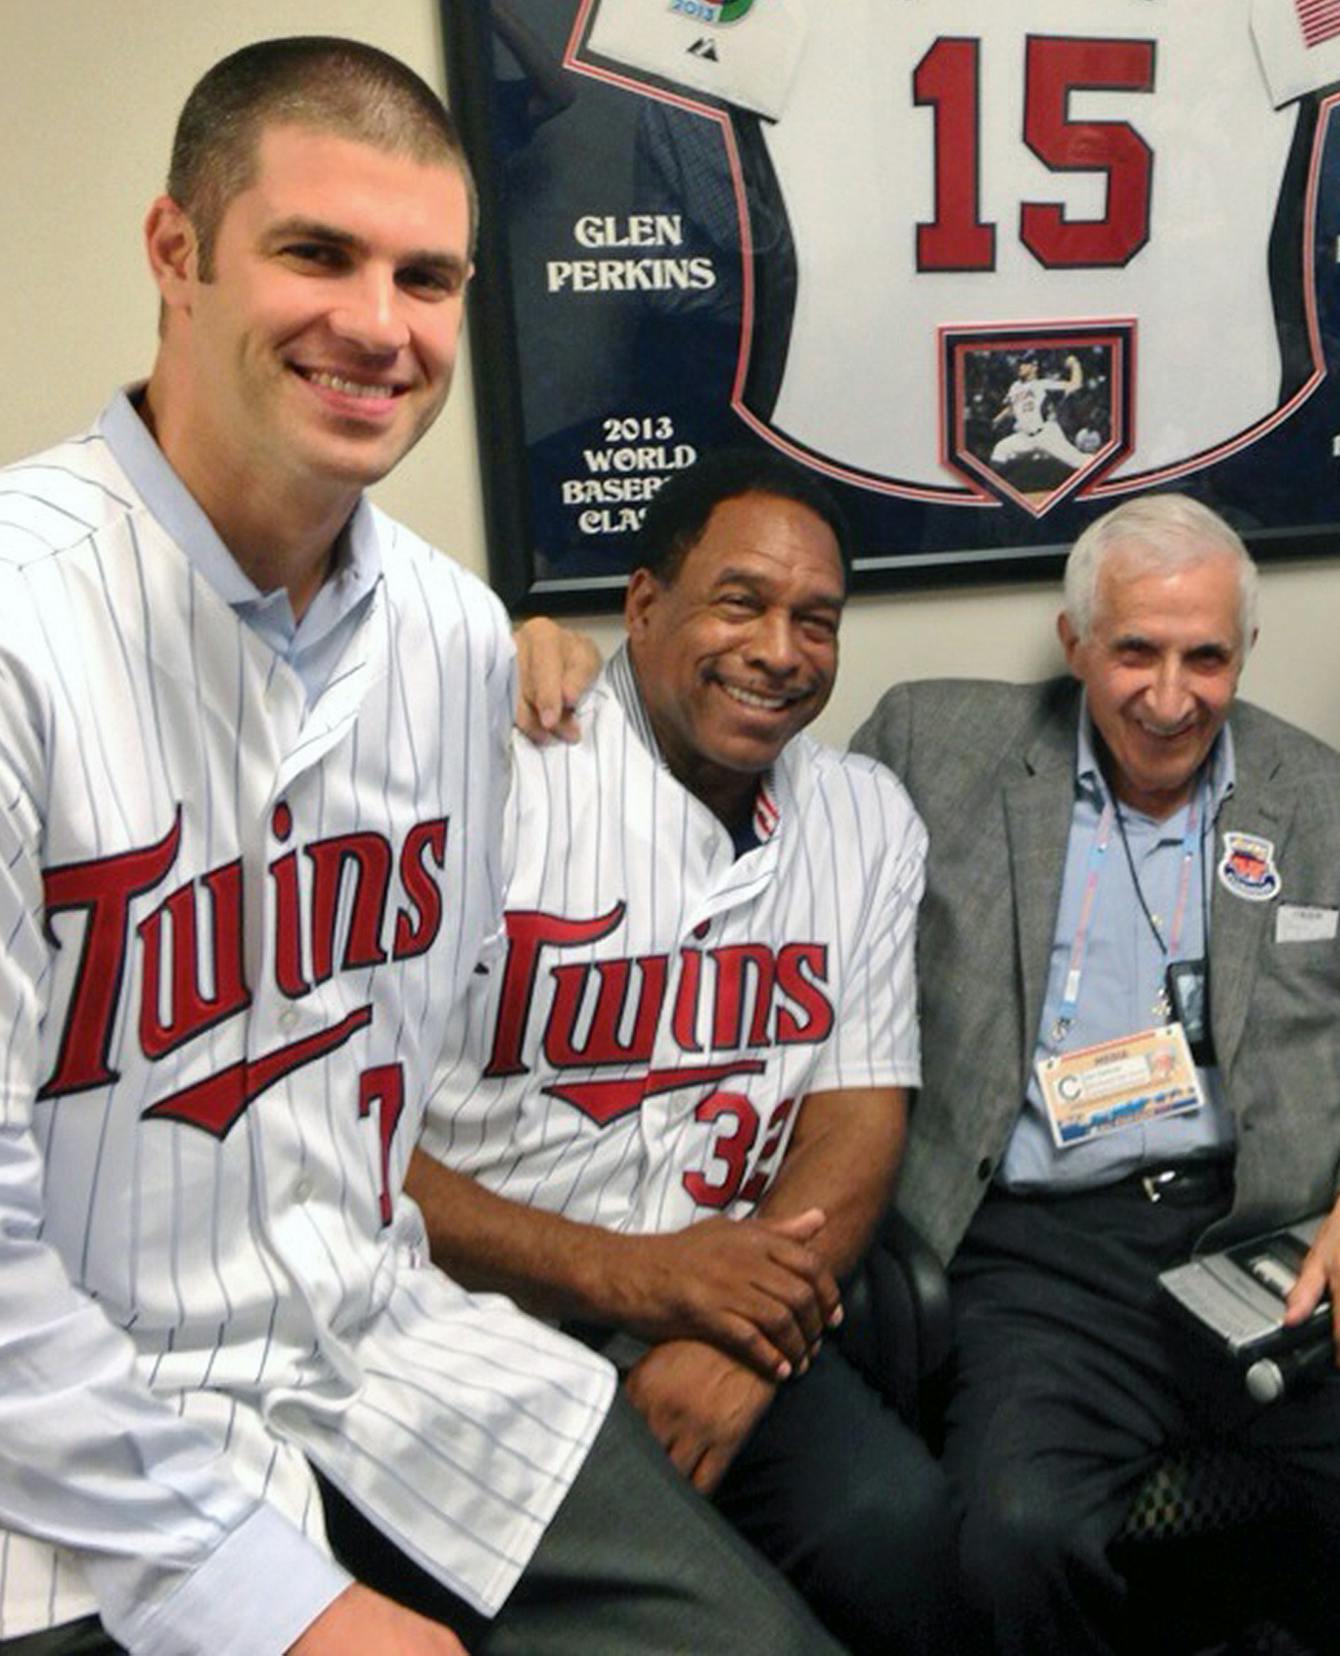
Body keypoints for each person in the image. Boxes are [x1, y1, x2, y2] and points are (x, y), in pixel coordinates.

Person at [0, 37, 832, 1655]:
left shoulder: (458, 639)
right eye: (316, 252)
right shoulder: (21, 619)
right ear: (176, 251)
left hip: (378, 1342)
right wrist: (286, 1606)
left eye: (428, 276)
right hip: (63, 1429)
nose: (380, 324)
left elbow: (409, 1063)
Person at [850, 493, 1340, 1654]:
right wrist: (582, 680)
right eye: (1134, 651)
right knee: (1011, 1541)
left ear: (1245, 654)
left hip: (1284, 1237)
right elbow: (760, 830)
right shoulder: (937, 749)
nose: (1171, 696)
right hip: (1047, 1257)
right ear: (1074, 641)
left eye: (1207, 657)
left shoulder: (1326, 805)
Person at [408, 450, 962, 1656]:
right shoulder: (485, 769)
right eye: (740, 601)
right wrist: (637, 1281)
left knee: (911, 1535)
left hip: (726, 1314)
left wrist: (753, 1341)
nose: (781, 649)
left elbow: (856, 1119)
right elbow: (356, 1155)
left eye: (816, 620)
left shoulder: (864, 817)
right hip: (466, 1337)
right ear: (644, 605)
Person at [989, 354, 1089, 474]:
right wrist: (998, 419)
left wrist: (1075, 364)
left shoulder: (1044, 385)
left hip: (1046, 434)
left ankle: (1103, 471)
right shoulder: (1015, 387)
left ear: (1034, 367)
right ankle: (997, 489)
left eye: (1024, 364)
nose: (1020, 367)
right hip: (1024, 437)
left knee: (1079, 462)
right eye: (1019, 364)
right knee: (1000, 450)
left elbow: (1075, 385)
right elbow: (1012, 407)